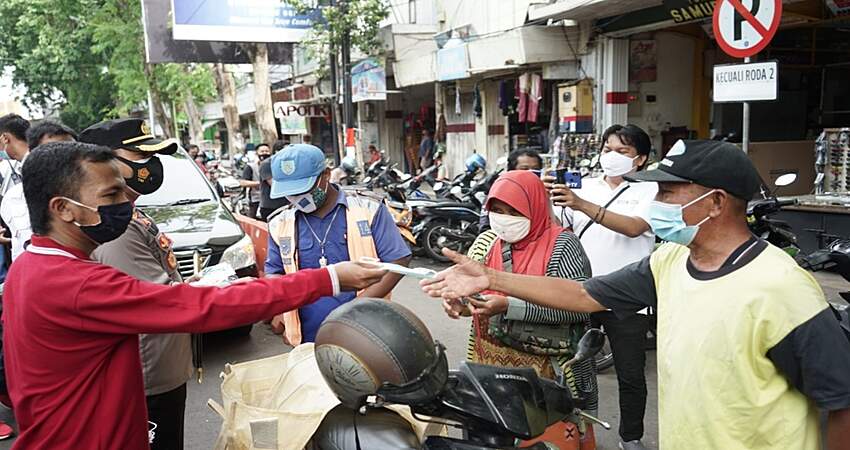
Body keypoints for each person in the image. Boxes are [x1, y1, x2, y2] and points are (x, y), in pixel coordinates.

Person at [426, 140, 850, 450]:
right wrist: (492, 278)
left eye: (667, 193)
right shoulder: (669, 262)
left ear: (717, 202)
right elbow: (583, 295)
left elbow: (841, 402)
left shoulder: (780, 287)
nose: (656, 203)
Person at [3, 141, 386, 449]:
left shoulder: (28, 267)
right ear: (64, 209)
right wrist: (327, 278)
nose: (127, 201)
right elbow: (204, 308)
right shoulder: (75, 282)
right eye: (112, 193)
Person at [445, 170, 598, 445]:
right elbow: (471, 295)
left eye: (513, 211)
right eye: (497, 210)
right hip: (489, 371)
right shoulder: (486, 242)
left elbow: (578, 308)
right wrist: (461, 304)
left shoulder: (563, 246)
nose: (503, 219)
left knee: (542, 441)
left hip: (545, 378)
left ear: (535, 206)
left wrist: (508, 306)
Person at [79, 118, 190, 450]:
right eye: (140, 156)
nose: (150, 165)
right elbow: (149, 301)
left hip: (160, 363)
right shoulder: (115, 225)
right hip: (148, 372)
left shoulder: (129, 211)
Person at [548, 124, 656, 450]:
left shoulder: (652, 190)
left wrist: (581, 205)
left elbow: (635, 228)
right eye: (608, 148)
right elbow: (559, 230)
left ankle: (631, 437)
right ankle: (570, 431)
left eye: (622, 151)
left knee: (631, 374)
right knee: (570, 366)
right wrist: (550, 200)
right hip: (582, 291)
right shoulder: (585, 187)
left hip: (630, 297)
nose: (612, 156)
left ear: (640, 158)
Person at [265, 144, 412, 345]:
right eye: (290, 193)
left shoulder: (368, 209)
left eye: (304, 189)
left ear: (326, 175)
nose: (297, 198)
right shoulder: (279, 223)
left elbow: (398, 260)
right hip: (306, 341)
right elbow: (274, 272)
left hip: (366, 332)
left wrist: (349, 313)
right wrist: (278, 306)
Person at [2, 118, 77, 261]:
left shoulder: (91, 191)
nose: (63, 159)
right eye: (53, 152)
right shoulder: (14, 196)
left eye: (71, 151)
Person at [479, 148, 544, 232]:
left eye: (535, 169)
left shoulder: (544, 194)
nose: (530, 173)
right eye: (524, 169)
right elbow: (485, 227)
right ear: (512, 171)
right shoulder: (499, 194)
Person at [257, 140, 290, 222]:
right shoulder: (267, 164)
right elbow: (275, 185)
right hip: (271, 206)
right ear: (277, 151)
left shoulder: (289, 163)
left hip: (287, 205)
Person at [240, 143, 268, 219]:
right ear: (257, 153)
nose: (265, 153)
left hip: (270, 202)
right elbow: (243, 182)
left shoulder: (273, 165)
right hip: (256, 200)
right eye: (262, 151)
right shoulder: (251, 167)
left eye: (267, 151)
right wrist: (259, 184)